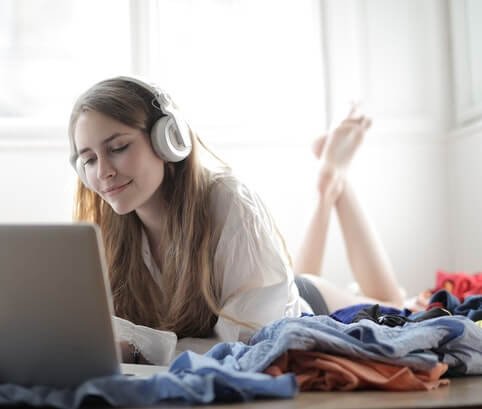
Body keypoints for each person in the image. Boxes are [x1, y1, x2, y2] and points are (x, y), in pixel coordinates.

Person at [67, 76, 404, 362]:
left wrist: (140, 351)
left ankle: (331, 180)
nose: (104, 172)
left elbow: (252, 343)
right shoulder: (105, 227)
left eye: (118, 148)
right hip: (269, 286)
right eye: (90, 160)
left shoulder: (228, 200)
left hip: (295, 309)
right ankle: (329, 182)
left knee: (395, 304)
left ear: (169, 139)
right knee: (297, 272)